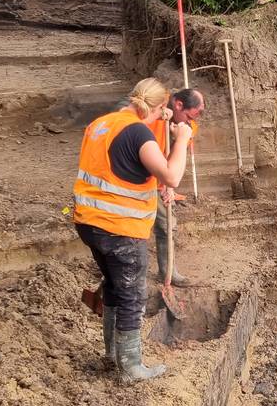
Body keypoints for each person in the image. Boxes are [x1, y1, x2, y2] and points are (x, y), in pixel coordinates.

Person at [74, 78, 192, 383]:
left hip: (89, 223)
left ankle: (112, 356)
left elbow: (119, 166)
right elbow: (172, 174)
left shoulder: (101, 124)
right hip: (120, 228)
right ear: (161, 106)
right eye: (162, 111)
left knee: (114, 286)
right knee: (132, 296)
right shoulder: (138, 131)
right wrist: (182, 139)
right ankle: (131, 367)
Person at [145, 89, 204, 287]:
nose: (189, 123)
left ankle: (168, 272)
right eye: (188, 116)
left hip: (160, 178)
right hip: (139, 178)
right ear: (178, 105)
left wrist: (168, 185)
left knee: (166, 223)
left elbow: (176, 159)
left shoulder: (187, 127)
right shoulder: (153, 115)